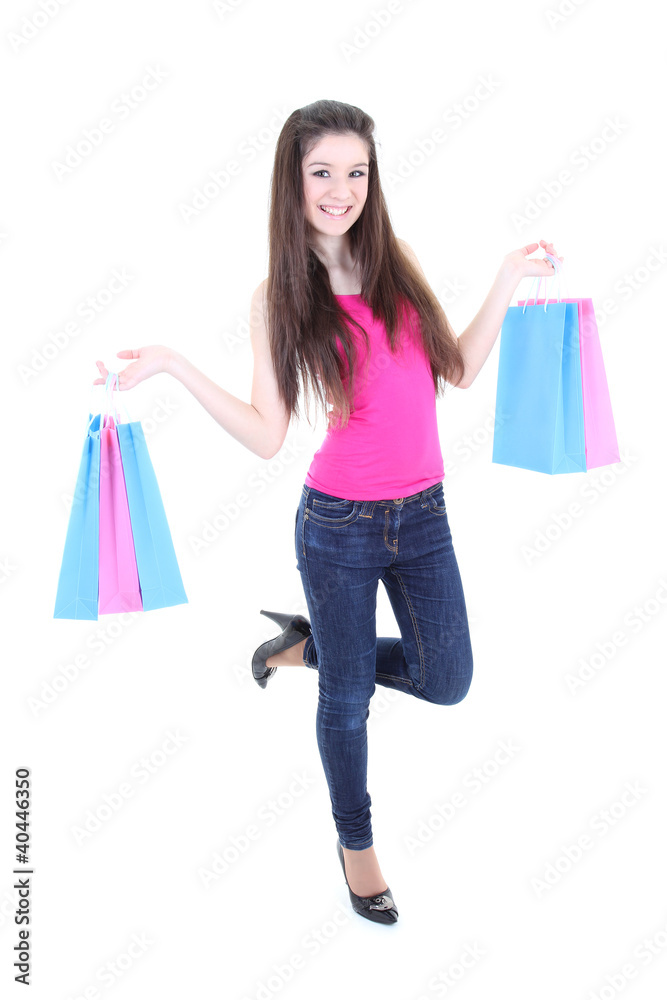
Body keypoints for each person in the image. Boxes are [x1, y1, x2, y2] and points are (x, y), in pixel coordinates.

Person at [93, 98, 563, 925]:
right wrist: (172, 366)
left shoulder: (396, 262)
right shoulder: (278, 296)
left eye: (356, 171)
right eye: (322, 173)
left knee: (447, 679)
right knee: (347, 702)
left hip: (423, 517)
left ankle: (309, 649)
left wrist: (506, 275)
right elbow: (266, 435)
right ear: (293, 180)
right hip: (337, 527)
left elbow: (453, 371)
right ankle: (357, 849)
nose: (340, 189)